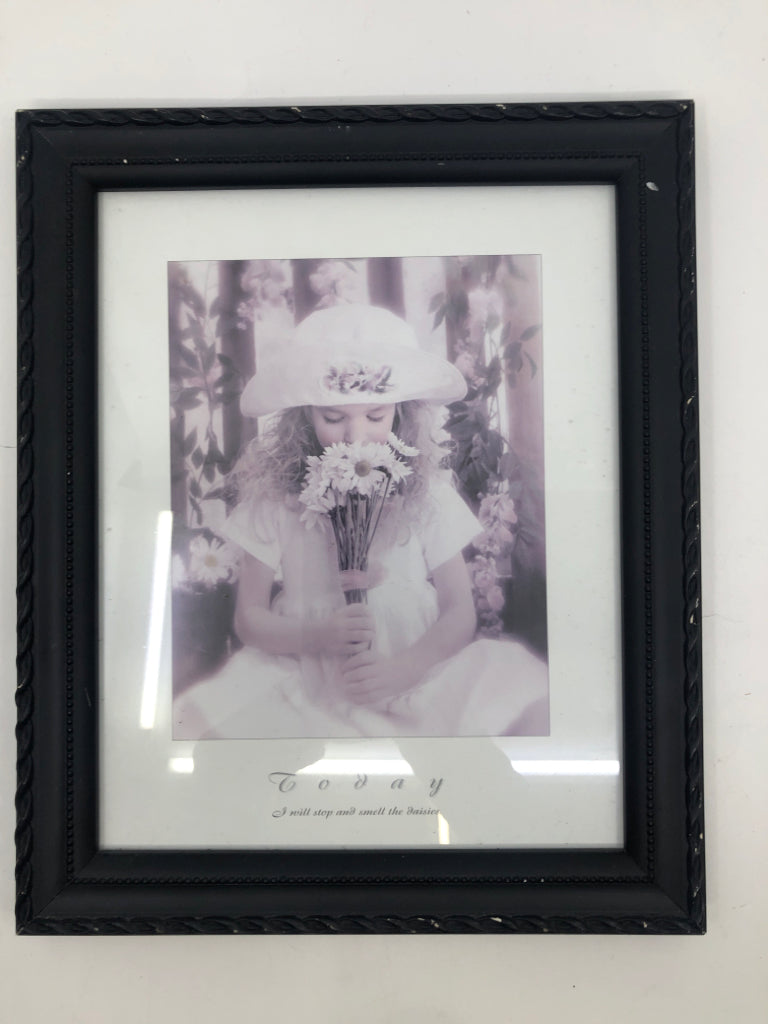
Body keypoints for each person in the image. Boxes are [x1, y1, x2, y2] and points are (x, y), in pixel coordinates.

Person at [174, 303, 548, 739]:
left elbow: (459, 612)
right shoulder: (275, 499)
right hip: (306, 679)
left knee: (524, 695)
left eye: (376, 416)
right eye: (333, 418)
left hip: (416, 676)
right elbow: (249, 619)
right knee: (199, 724)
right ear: (303, 417)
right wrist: (315, 635)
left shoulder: (427, 492)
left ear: (402, 413)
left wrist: (404, 670)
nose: (355, 437)